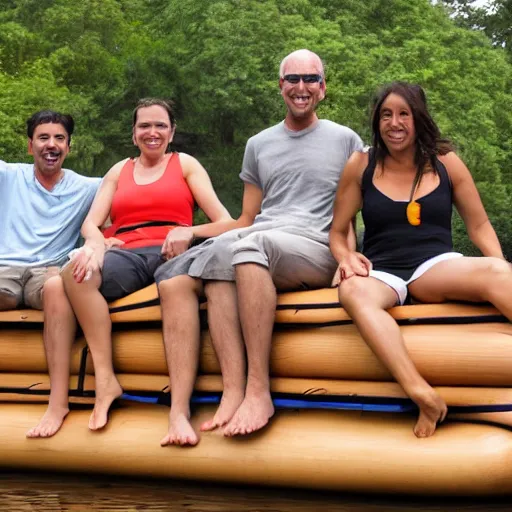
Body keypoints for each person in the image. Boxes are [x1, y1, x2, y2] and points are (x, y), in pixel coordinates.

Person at [154, 49, 364, 446]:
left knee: (249, 248)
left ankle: (257, 390)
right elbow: (246, 219)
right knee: (185, 272)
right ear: (280, 86)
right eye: (293, 79)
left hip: (314, 244)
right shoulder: (259, 144)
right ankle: (222, 392)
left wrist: (347, 257)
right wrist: (192, 230)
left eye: (311, 79)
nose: (301, 87)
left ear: (323, 88)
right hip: (261, 236)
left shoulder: (346, 140)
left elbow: (350, 216)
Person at [27, 98, 232, 437]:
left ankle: (179, 412)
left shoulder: (185, 165)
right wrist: (95, 246)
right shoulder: (119, 170)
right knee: (69, 275)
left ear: (172, 131)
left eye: (160, 126)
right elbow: (91, 224)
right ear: (134, 133)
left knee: (177, 286)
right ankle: (96, 384)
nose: (152, 133)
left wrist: (190, 230)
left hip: (171, 251)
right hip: (126, 252)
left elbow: (226, 222)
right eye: (144, 126)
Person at [329, 81, 512, 438]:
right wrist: (346, 256)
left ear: (418, 118)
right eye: (386, 115)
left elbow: (479, 225)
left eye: (403, 114)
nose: (394, 123)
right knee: (352, 292)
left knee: (497, 272)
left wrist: (499, 266)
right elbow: (337, 231)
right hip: (381, 271)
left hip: (435, 265)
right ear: (376, 121)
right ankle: (421, 394)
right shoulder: (361, 164)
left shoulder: (446, 162)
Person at [0, 110, 99, 312]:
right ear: (30, 146)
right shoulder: (8, 175)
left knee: (63, 292)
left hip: (49, 274)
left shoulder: (88, 187)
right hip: (4, 270)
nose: (51, 144)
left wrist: (107, 240)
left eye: (59, 138)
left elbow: (133, 193)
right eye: (43, 138)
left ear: (68, 147)